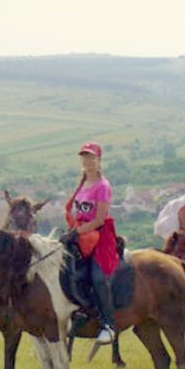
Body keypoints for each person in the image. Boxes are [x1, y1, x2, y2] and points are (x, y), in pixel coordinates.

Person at [63, 142, 120, 345]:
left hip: (100, 237)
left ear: (99, 160)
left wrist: (76, 232)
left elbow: (99, 220)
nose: (87, 161)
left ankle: (108, 324)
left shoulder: (103, 186)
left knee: (97, 277)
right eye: (84, 157)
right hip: (80, 235)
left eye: (91, 157)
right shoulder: (83, 182)